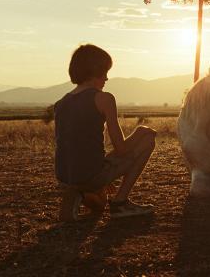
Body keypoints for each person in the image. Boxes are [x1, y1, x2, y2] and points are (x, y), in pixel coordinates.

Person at [54, 44, 156, 221]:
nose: (107, 78)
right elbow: (122, 149)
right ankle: (120, 203)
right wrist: (140, 131)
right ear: (97, 71)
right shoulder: (104, 98)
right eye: (105, 72)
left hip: (64, 176)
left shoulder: (61, 102)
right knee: (147, 139)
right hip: (90, 174)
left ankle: (79, 195)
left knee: (100, 204)